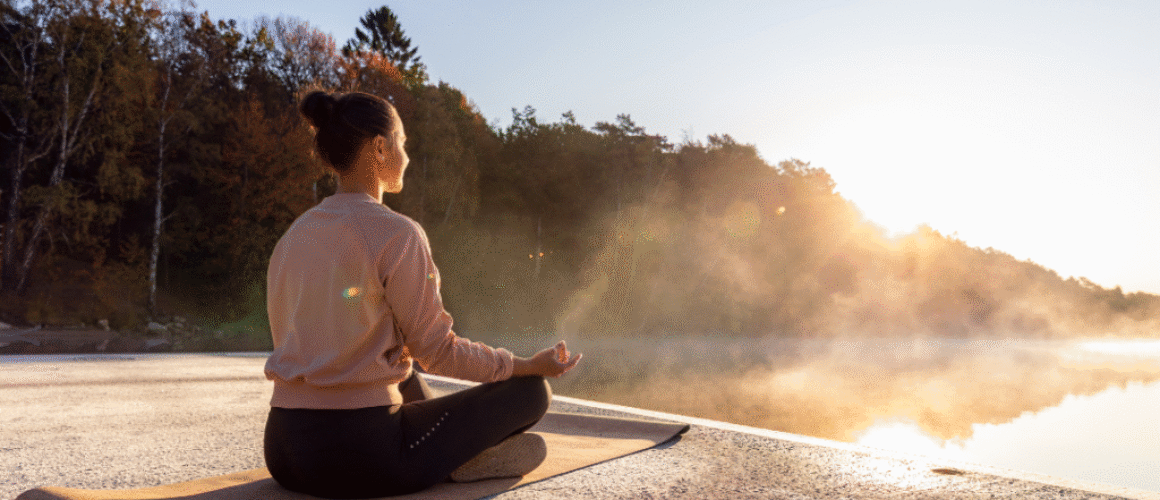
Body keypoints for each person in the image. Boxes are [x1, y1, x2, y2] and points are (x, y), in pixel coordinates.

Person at [262, 90, 582, 499]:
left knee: (405, 366)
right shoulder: (397, 233)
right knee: (532, 392)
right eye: (402, 142)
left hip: (284, 451)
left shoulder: (293, 236)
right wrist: (525, 365)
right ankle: (458, 461)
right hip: (361, 456)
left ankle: (446, 455)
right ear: (380, 147)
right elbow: (439, 351)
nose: (407, 156)